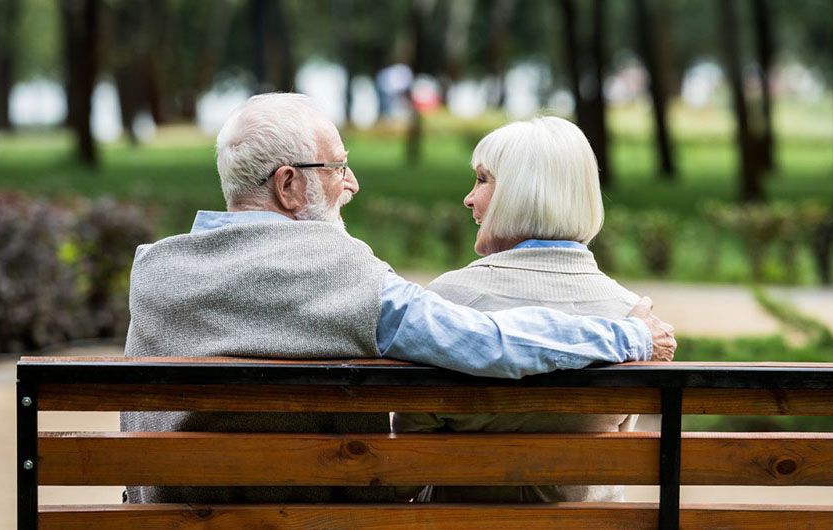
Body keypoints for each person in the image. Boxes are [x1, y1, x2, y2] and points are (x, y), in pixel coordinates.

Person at [120, 94, 675, 504]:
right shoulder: (337, 274)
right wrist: (627, 334)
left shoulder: (155, 270)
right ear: (288, 186)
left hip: (163, 516)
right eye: (337, 166)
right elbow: (486, 341)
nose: (353, 182)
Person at [394, 116, 669, 503]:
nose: (468, 198)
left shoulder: (446, 301)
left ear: (521, 192)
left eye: (482, 179)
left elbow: (403, 470)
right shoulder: (633, 317)